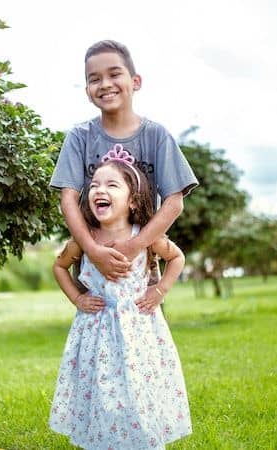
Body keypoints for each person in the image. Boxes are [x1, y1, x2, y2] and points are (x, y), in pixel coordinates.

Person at [49, 155, 191, 449]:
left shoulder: (146, 237)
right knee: (102, 395)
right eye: (94, 186)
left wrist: (160, 290)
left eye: (112, 185)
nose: (99, 190)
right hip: (95, 334)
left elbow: (176, 258)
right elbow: (59, 267)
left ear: (133, 201)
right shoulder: (84, 240)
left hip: (138, 330)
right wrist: (77, 297)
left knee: (139, 392)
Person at [50, 40, 198, 302]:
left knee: (143, 337)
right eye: (95, 78)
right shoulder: (79, 137)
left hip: (141, 262)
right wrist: (93, 250)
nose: (105, 83)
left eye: (114, 74)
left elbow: (174, 203)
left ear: (136, 81)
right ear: (87, 90)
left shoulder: (156, 136)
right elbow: (68, 199)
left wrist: (134, 246)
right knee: (94, 335)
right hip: (91, 260)